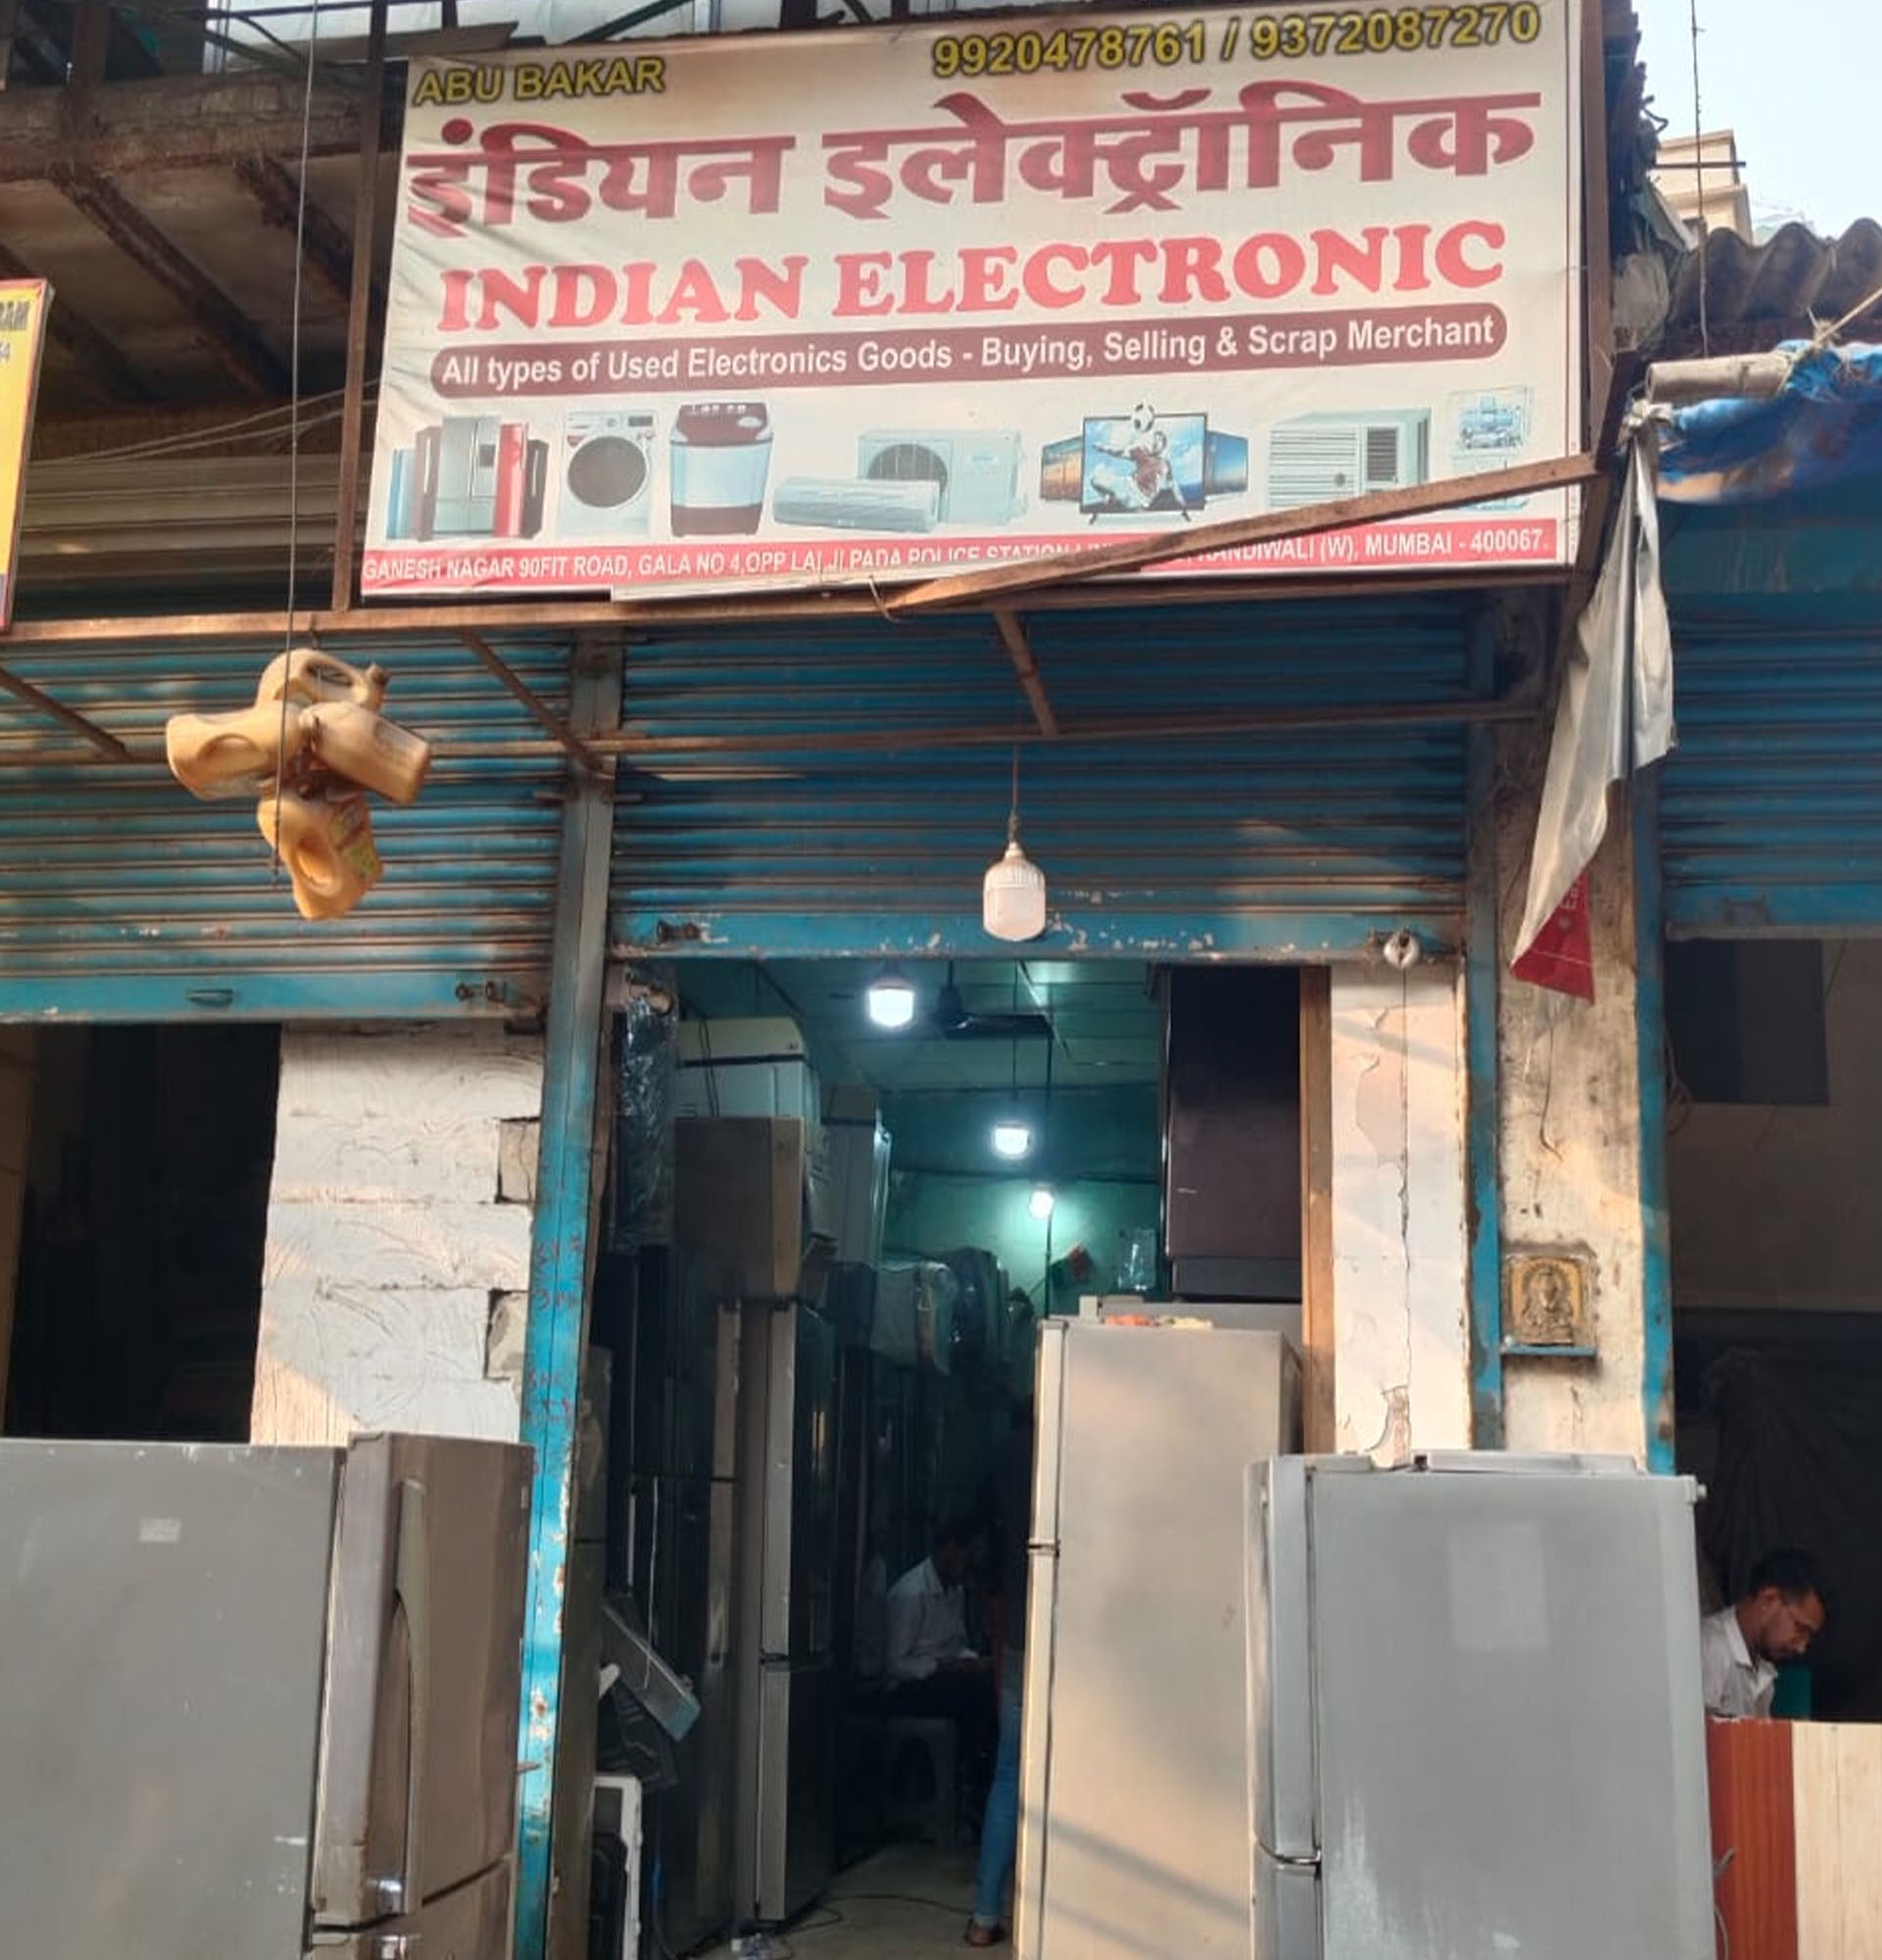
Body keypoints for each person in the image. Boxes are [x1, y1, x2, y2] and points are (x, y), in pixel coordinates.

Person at [968, 1400, 1035, 1950]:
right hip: (1065, 1648)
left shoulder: (1000, 1462)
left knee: (1009, 1774)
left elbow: (988, 1572)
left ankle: (984, 1918)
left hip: (1014, 1640)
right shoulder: (1066, 1449)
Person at [1701, 1548, 1828, 1718]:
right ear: (1769, 1600)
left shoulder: (1763, 1670)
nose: (1801, 1647)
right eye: (1800, 1628)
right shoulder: (1712, 1647)